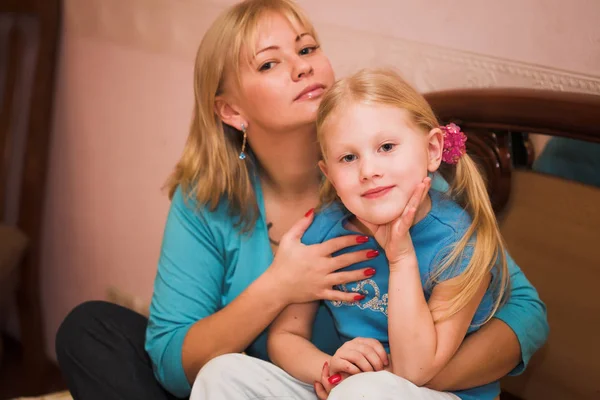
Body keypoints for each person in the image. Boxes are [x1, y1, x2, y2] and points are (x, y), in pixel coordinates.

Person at [54, 1, 549, 400]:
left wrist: (402, 380)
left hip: (386, 386)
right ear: (231, 110)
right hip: (291, 381)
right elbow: (171, 364)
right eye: (270, 63)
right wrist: (280, 284)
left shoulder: (393, 182)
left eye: (307, 48)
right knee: (93, 330)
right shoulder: (208, 200)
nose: (302, 68)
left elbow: (524, 313)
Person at [267, 67, 514, 400]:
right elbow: (285, 336)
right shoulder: (324, 232)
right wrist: (329, 369)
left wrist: (401, 258)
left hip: (439, 393)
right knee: (224, 372)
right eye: (348, 157)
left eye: (386, 147)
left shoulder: (460, 245)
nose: (369, 171)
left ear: (432, 150)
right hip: (348, 391)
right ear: (329, 174)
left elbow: (416, 371)